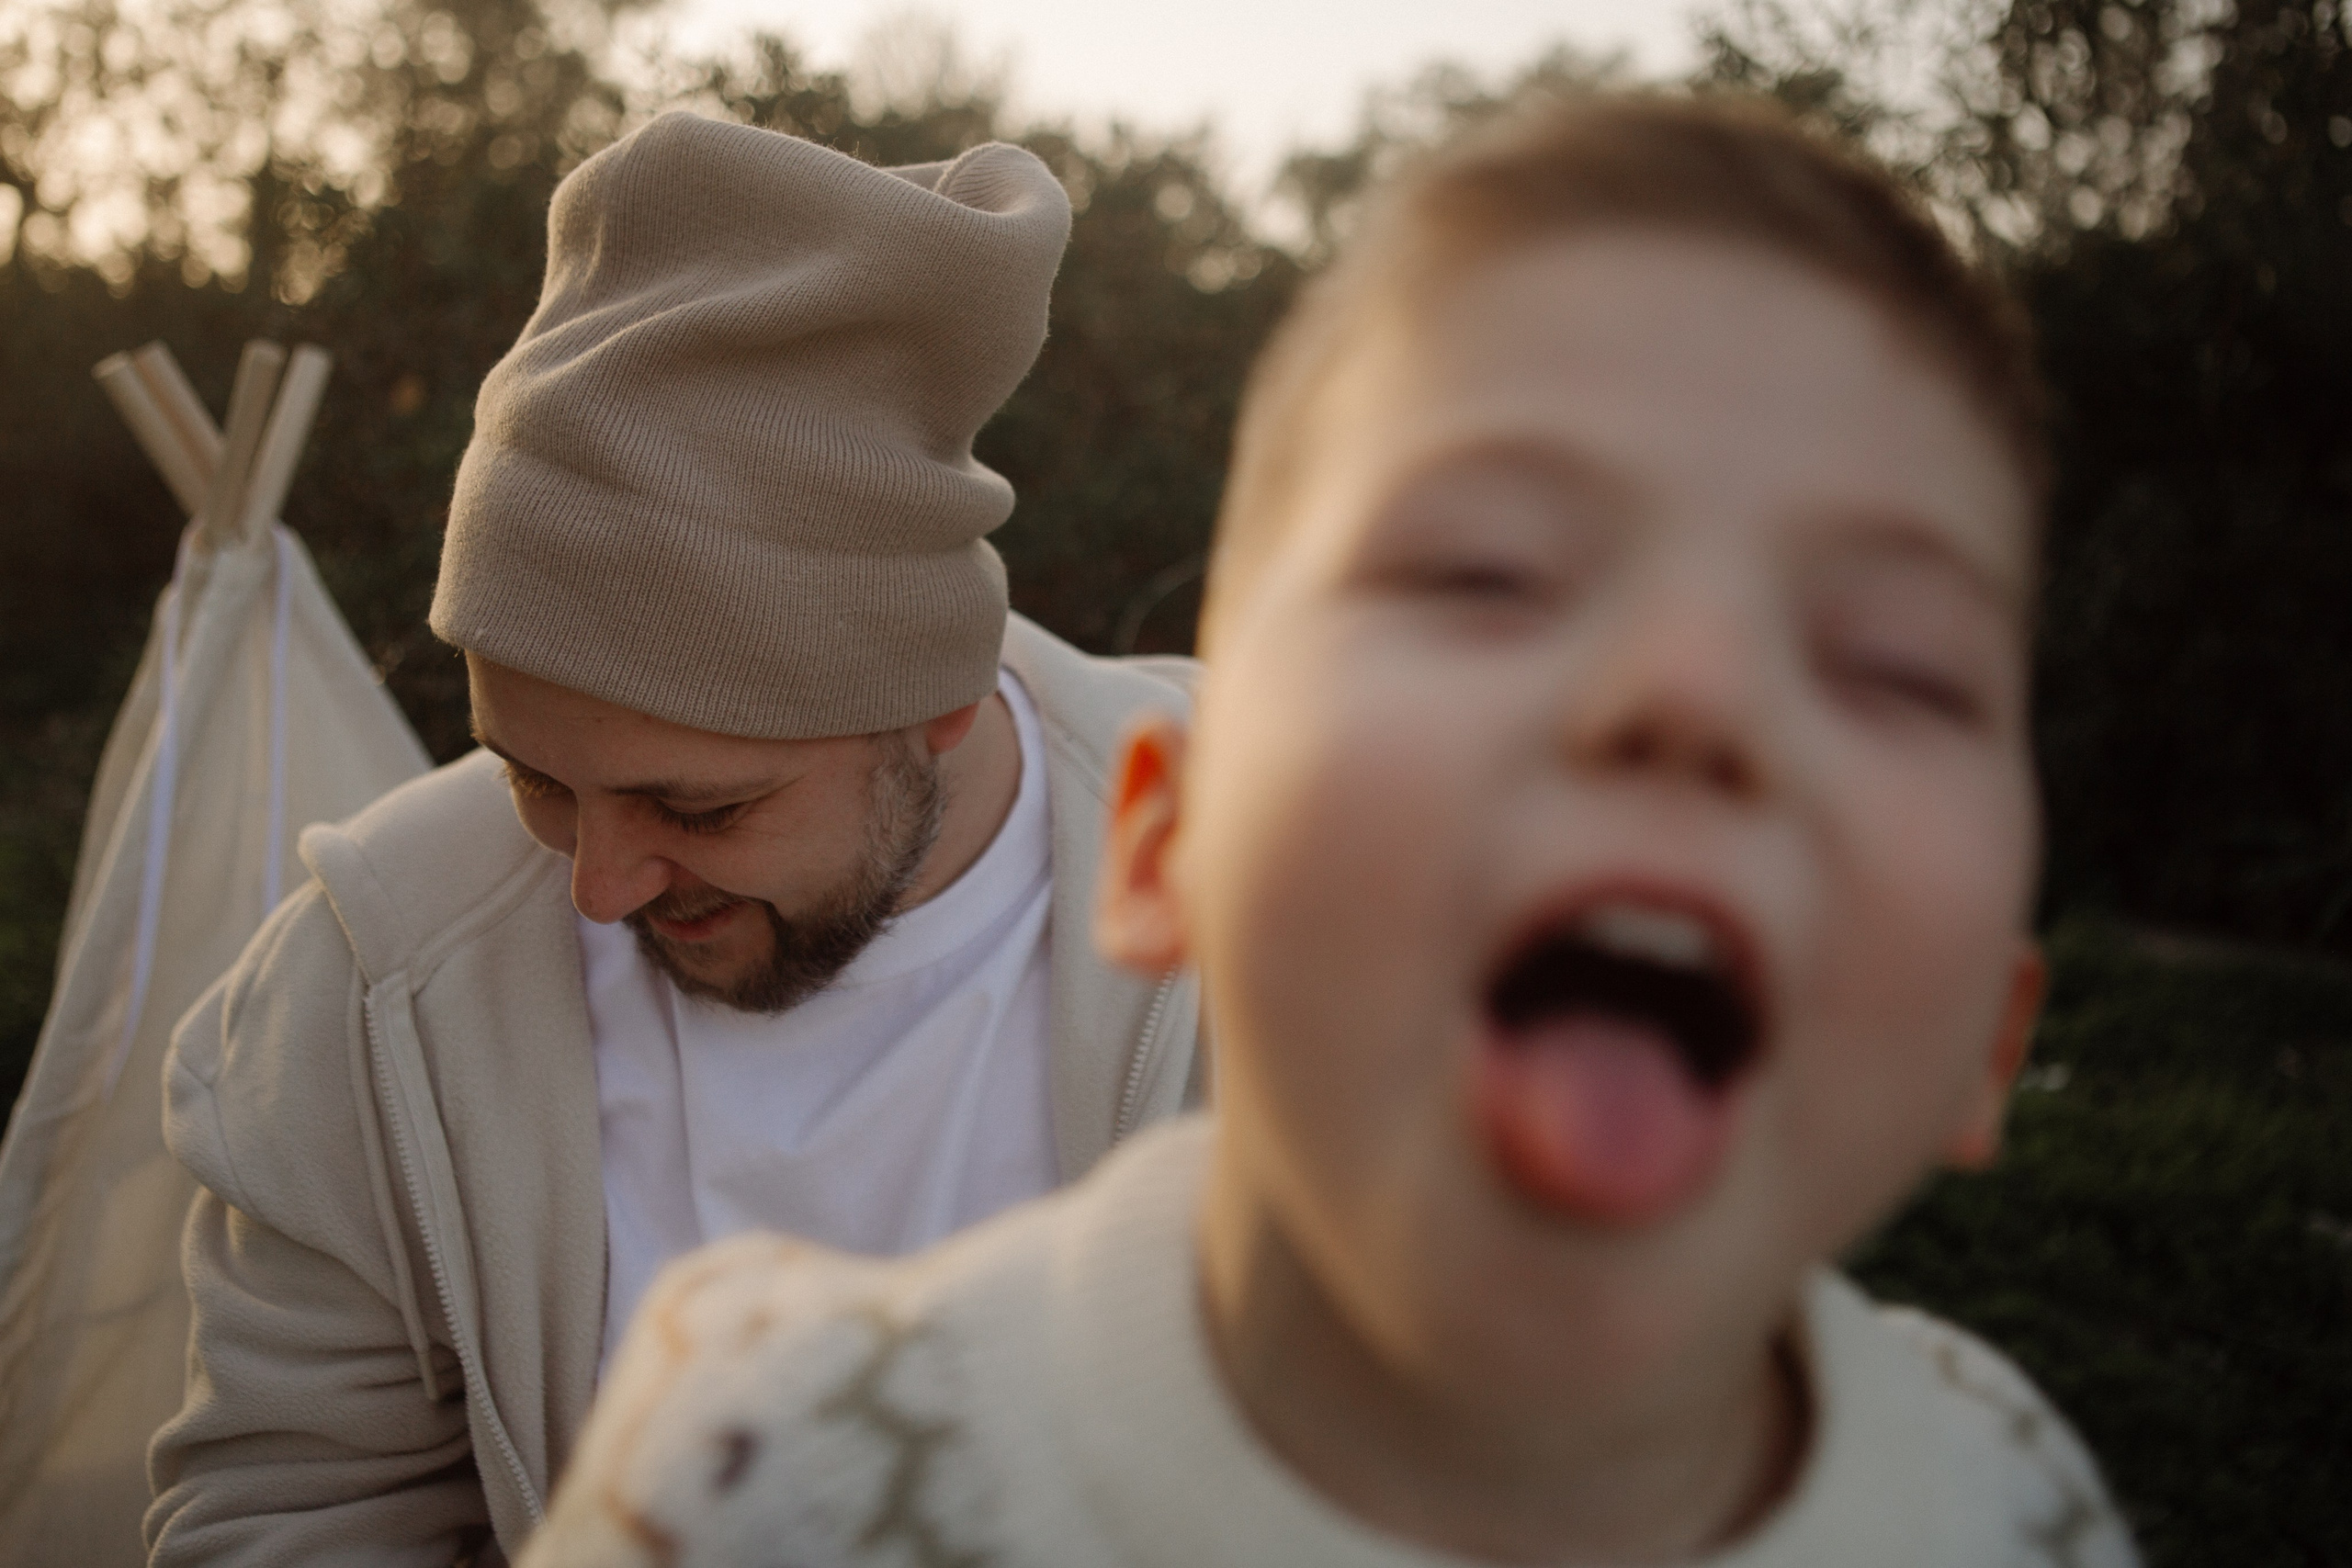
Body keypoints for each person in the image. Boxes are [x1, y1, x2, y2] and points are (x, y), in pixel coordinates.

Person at [517, 92, 2143, 1568]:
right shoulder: (765, 1475)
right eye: (1488, 573)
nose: (1695, 692)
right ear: (1164, 847)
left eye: (1894, 666)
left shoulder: (2014, 1502)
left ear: (1990, 1039)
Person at [142, 112, 1205, 1565]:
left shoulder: (1312, 889)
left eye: (699, 808)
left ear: (933, 706)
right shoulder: (367, 990)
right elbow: (286, 1517)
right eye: (532, 777)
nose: (597, 887)